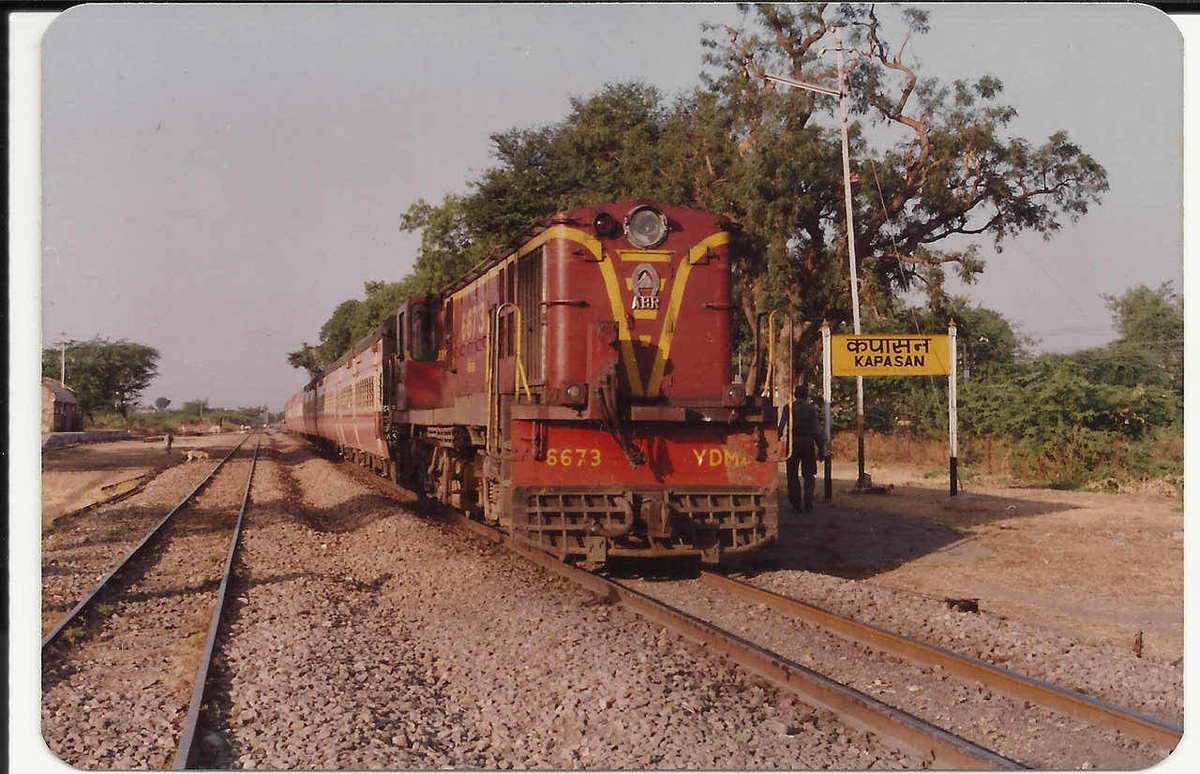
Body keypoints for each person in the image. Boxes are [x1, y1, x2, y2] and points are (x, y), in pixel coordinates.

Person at [778, 383, 822, 513]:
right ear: (806, 395)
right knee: (809, 475)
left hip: (793, 443)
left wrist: (777, 437)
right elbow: (817, 430)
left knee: (792, 475)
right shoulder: (811, 409)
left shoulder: (788, 408)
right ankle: (808, 502)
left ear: (795, 395)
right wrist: (820, 446)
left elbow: (781, 427)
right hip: (808, 443)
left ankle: (796, 505)